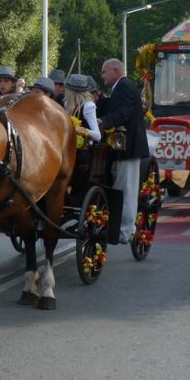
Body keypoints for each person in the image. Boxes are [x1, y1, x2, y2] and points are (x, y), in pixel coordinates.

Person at [99, 58, 149, 244]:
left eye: (104, 72)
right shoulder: (121, 87)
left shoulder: (124, 86)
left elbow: (124, 112)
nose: (102, 76)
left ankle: (126, 231)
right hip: (124, 147)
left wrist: (104, 122)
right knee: (122, 187)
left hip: (129, 147)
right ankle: (122, 227)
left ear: (115, 70)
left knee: (126, 190)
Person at [63, 74, 102, 142]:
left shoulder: (88, 106)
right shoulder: (67, 103)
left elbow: (97, 136)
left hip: (82, 150)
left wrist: (80, 130)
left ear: (71, 91)